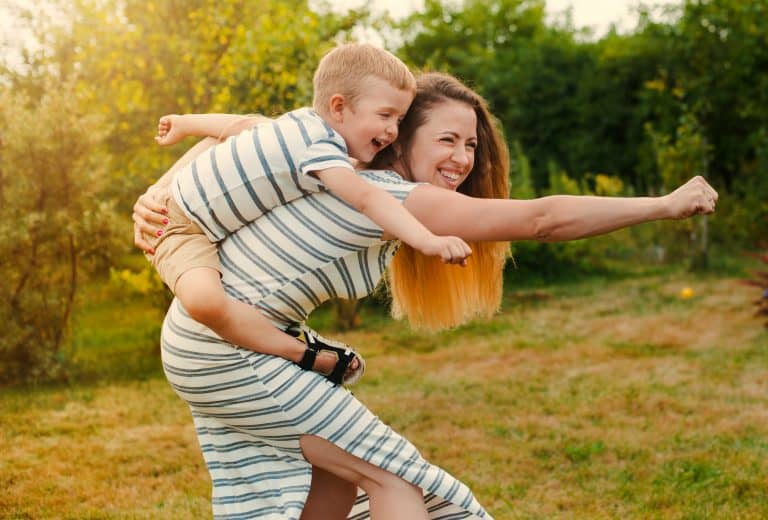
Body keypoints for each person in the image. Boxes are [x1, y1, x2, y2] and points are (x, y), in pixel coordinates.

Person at [133, 72, 718, 519]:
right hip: (227, 349)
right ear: (398, 137)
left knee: (337, 479)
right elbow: (544, 219)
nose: (463, 159)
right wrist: (663, 205)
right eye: (447, 140)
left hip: (212, 341)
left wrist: (156, 195)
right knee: (396, 480)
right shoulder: (389, 192)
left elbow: (244, 134)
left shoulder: (324, 161)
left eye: (471, 144)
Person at [140, 43, 471, 385]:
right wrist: (427, 240)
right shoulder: (319, 146)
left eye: (400, 120)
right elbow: (366, 198)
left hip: (198, 222)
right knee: (206, 303)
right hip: (177, 227)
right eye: (385, 116)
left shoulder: (300, 126)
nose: (393, 131)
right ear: (339, 107)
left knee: (214, 301)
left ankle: (294, 344)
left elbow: (238, 125)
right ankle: (303, 353)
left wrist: (184, 122)